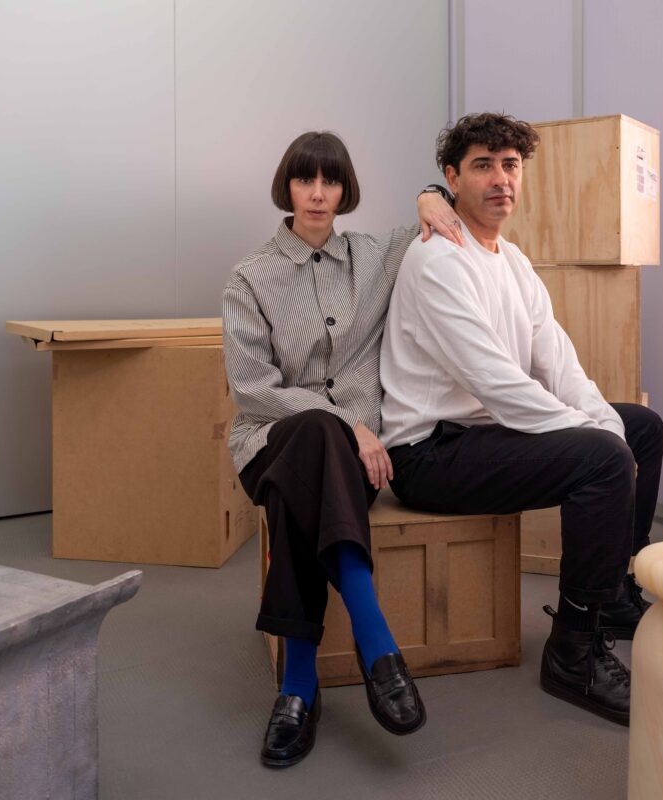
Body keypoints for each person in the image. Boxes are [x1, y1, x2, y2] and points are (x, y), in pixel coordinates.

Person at [379, 113, 663, 727]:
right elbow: (500, 386)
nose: (501, 179)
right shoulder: (438, 261)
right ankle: (574, 650)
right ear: (452, 179)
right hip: (429, 453)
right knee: (604, 456)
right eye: (483, 165)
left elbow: (559, 364)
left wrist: (607, 426)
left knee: (639, 426)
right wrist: (597, 440)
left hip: (484, 434)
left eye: (511, 165)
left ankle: (611, 595)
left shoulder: (512, 261)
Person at [223, 130, 463, 767]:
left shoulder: (373, 255)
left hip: (344, 465)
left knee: (296, 495)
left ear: (345, 190)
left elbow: (433, 212)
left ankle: (299, 686)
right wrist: (350, 423)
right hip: (274, 441)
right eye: (306, 180)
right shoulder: (250, 276)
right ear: (289, 187)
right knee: (316, 436)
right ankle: (374, 635)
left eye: (330, 181)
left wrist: (429, 193)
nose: (318, 194)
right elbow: (251, 388)